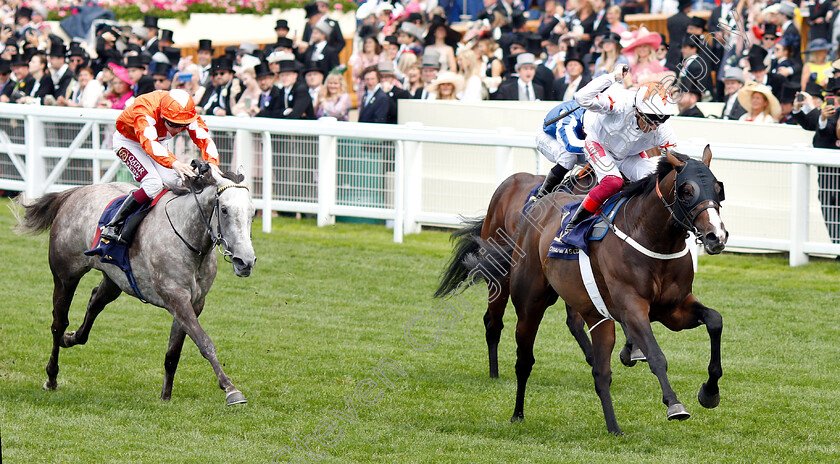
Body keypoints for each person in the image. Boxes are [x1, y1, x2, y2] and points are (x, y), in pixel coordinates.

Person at [561, 64, 678, 239]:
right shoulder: (620, 103)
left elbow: (674, 160)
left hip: (628, 155)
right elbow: (581, 98)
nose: (655, 125)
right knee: (613, 182)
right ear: (638, 110)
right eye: (652, 118)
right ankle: (573, 226)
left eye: (662, 119)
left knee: (656, 183)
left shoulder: (662, 127)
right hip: (599, 143)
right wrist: (612, 77)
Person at [97, 89, 221, 244]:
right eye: (173, 124)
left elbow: (205, 140)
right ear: (162, 115)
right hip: (129, 142)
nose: (177, 130)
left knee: (177, 181)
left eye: (183, 125)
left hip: (157, 141)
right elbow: (148, 144)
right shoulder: (144, 110)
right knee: (153, 184)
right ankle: (114, 224)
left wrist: (212, 164)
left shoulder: (187, 113)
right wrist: (174, 163)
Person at [532, 100, 588, 201]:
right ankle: (541, 197)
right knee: (568, 158)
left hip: (577, 138)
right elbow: (571, 145)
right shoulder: (570, 117)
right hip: (550, 136)